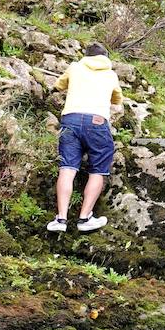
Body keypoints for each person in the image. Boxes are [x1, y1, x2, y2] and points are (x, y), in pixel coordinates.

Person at [48, 43, 120, 233]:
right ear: (106, 57)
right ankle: (84, 218)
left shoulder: (75, 67)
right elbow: (117, 99)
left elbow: (58, 85)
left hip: (70, 120)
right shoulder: (110, 74)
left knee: (67, 168)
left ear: (86, 56)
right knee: (98, 169)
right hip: (96, 121)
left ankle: (61, 219)